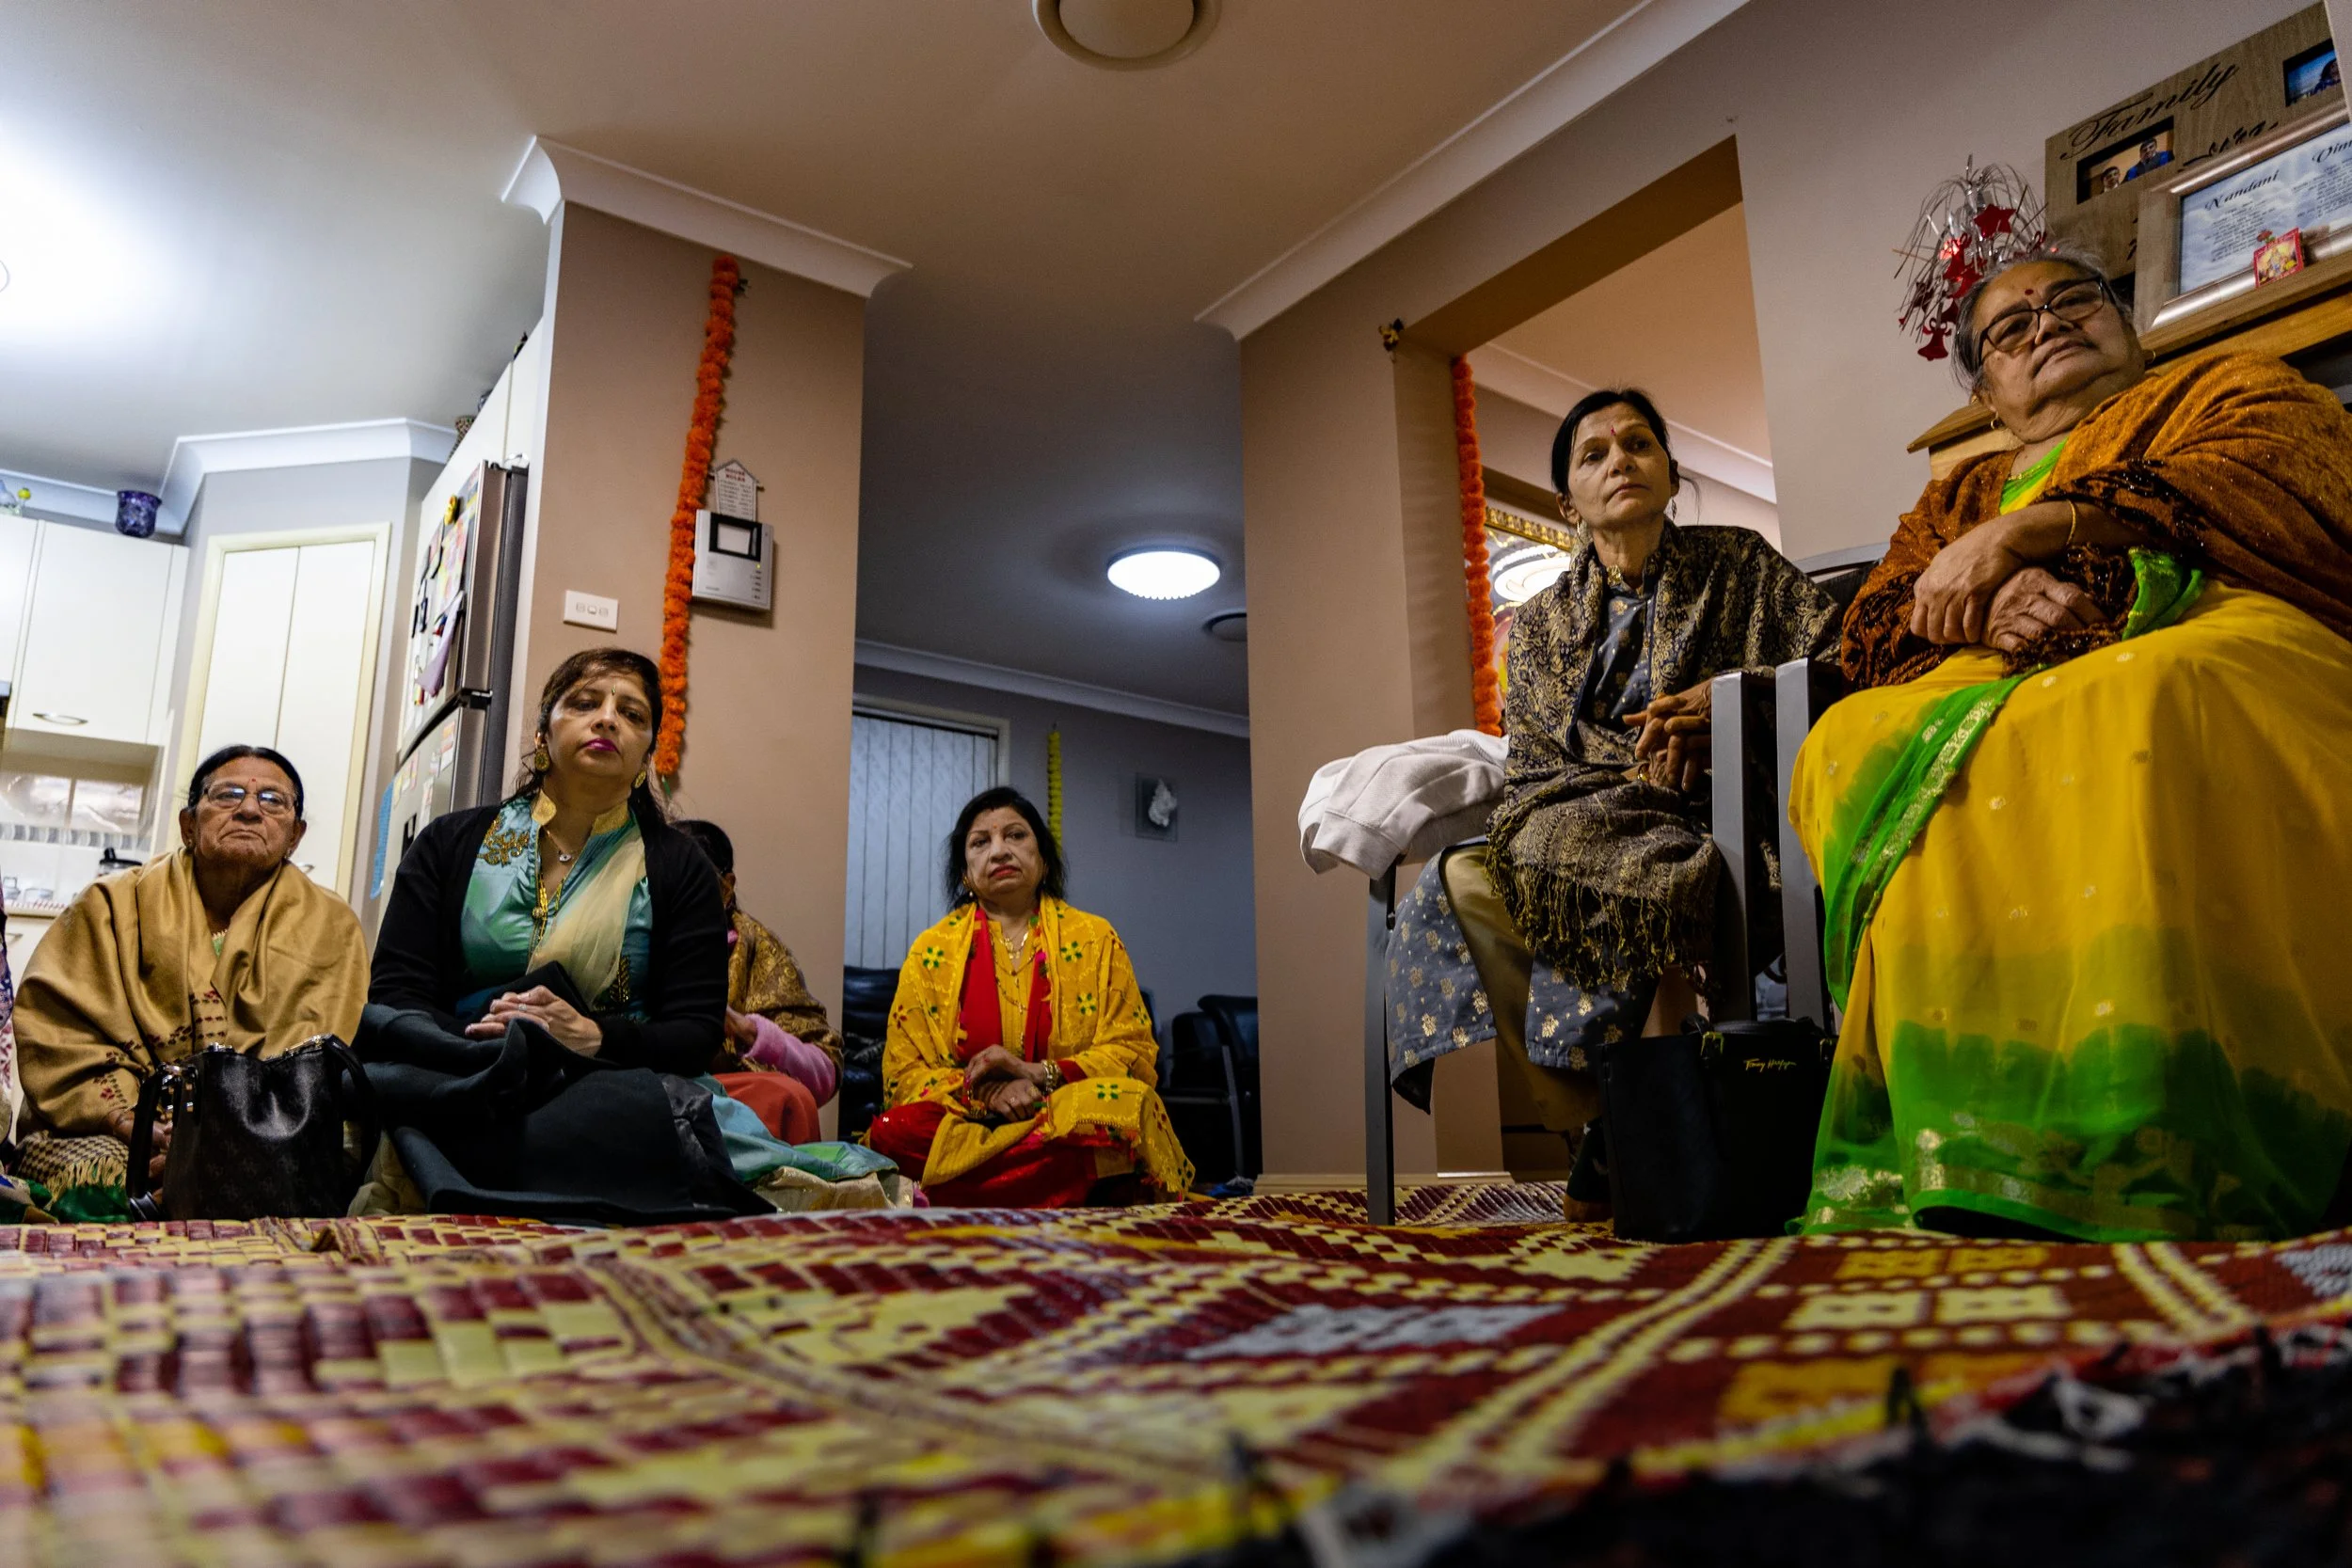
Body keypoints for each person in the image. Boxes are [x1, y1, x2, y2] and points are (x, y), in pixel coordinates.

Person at [1795, 244, 2352, 1242]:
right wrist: (1988, 597)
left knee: (2141, 695)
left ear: (2128, 326)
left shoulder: (2224, 383)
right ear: (1991, 394)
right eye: (2010, 328)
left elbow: (2287, 472)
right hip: (1991, 667)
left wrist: (2044, 529)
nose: (2045, 324)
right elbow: (1877, 619)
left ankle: (2173, 1127)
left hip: (2208, 622)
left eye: (2071, 301)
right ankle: (1969, 1136)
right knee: (1845, 736)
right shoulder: (1954, 494)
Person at [1384, 389, 1838, 1200]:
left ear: (1669, 475)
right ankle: (1604, 1116)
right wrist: (1602, 790)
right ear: (1568, 501)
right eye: (1593, 454)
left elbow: (1835, 665)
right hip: (1574, 818)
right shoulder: (1541, 625)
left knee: (1607, 863)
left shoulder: (1740, 565)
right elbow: (1530, 767)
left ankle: (1625, 1136)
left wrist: (1730, 702)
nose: (1619, 460)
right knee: (1457, 878)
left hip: (1721, 815)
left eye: (1638, 445)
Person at [363, 647, 777, 1221]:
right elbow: (395, 994)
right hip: (456, 1078)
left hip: (612, 1089)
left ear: (645, 756)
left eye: (632, 714)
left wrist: (591, 1038)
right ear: (542, 733)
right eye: (585, 702)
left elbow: (693, 1030)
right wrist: (486, 1040)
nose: (608, 718)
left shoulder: (680, 868)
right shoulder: (448, 844)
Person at [12, 745, 367, 1211]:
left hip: (269, 1138)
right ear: (189, 824)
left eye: (273, 801)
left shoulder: (331, 926)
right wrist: (140, 1128)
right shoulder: (111, 905)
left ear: (294, 836)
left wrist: (220, 1142)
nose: (249, 809)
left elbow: (316, 1062)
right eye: (229, 795)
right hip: (113, 1128)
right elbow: (60, 1036)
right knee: (106, 1192)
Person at [866, 786, 1192, 1206]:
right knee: (894, 1129)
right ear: (965, 873)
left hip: (1059, 1108)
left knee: (1128, 1106)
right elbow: (904, 1073)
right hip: (970, 1119)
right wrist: (987, 1095)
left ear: (1043, 861)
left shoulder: (1095, 939)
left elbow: (1130, 1052)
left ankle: (964, 1193)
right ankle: (1068, 1187)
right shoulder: (932, 951)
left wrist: (1040, 1075)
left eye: (1016, 836)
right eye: (981, 842)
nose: (999, 851)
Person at [671, 817, 842, 1145]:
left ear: (726, 887)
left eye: (692, 877)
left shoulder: (757, 950)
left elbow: (825, 1073)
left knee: (788, 1098)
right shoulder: (634, 933)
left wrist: (745, 1029)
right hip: (649, 1090)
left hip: (727, 1104)